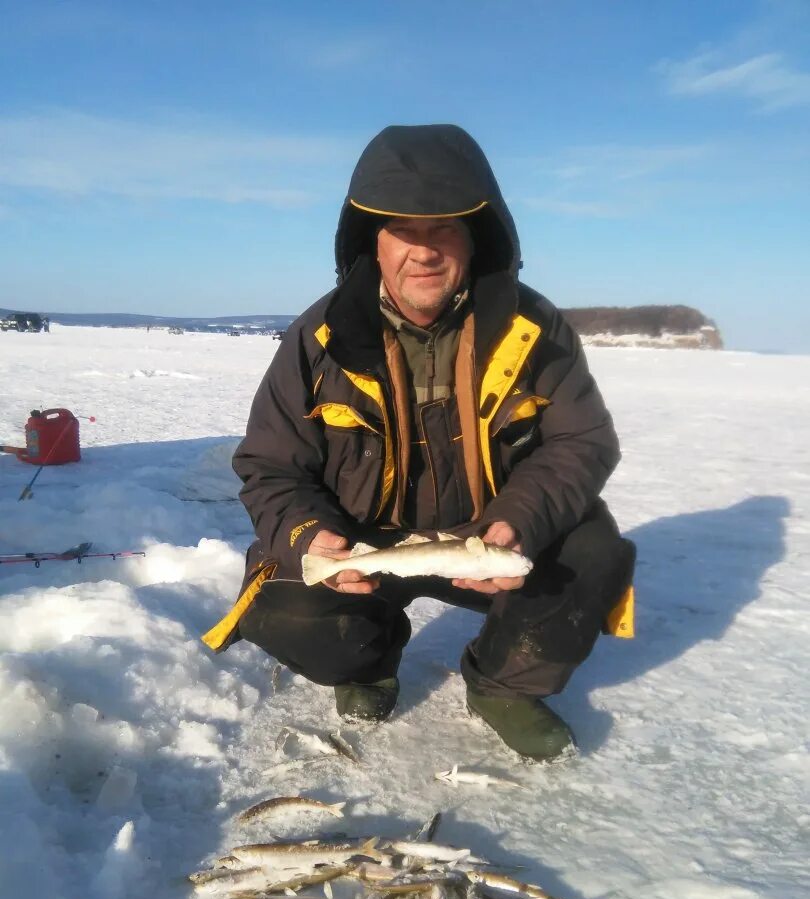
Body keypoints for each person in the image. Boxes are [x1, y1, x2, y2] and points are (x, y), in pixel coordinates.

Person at [203, 124, 636, 761]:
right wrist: (310, 538)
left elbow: (582, 442)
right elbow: (271, 466)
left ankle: (502, 686)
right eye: (403, 230)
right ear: (371, 243)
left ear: (476, 237)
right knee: (287, 603)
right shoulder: (316, 337)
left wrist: (516, 522)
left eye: (445, 229)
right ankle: (368, 663)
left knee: (592, 553)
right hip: (364, 542)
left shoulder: (533, 327)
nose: (423, 251)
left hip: (485, 536)